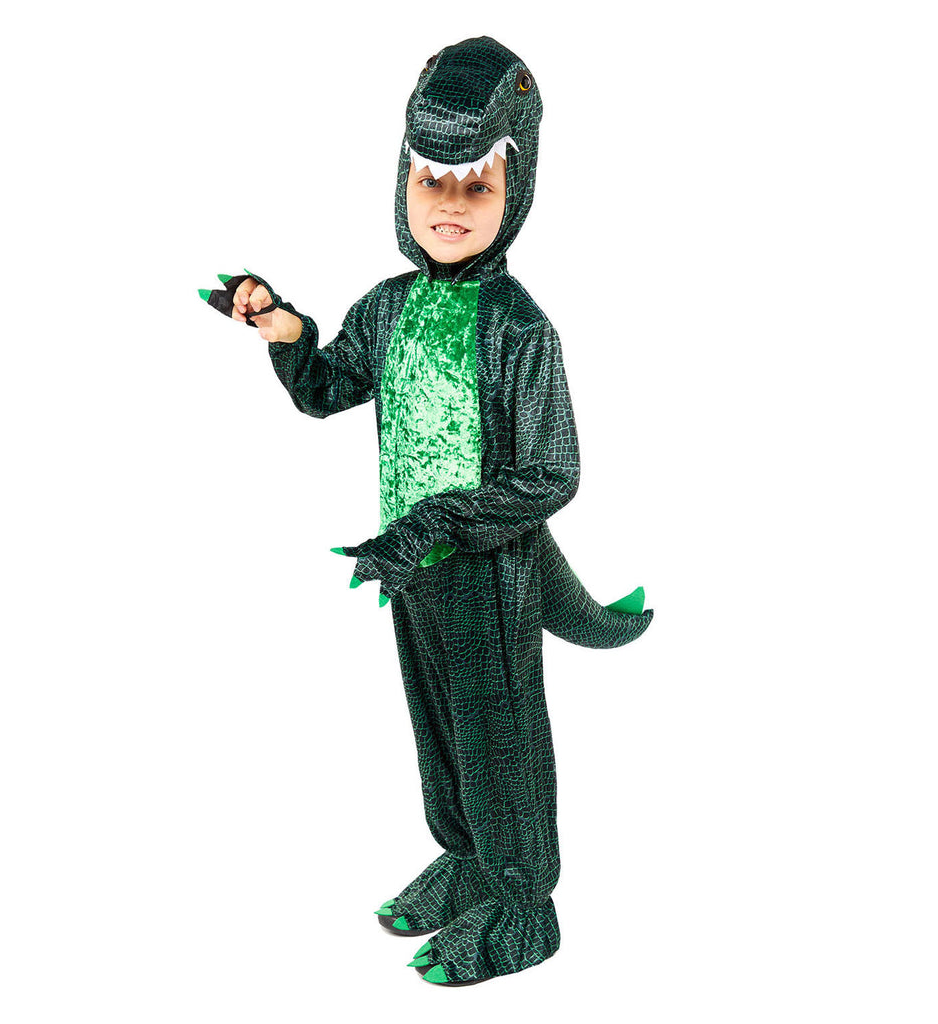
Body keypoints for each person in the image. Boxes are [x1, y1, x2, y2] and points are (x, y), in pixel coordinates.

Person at [199, 35, 653, 986]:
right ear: (400, 184)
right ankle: (467, 858)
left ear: (513, 193)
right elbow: (327, 389)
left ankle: (525, 904)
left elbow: (553, 473)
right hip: (409, 570)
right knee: (439, 724)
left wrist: (437, 523)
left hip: (488, 570)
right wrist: (285, 329)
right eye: (429, 181)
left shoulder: (521, 328)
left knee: (499, 736)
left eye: (476, 185)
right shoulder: (387, 306)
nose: (449, 204)